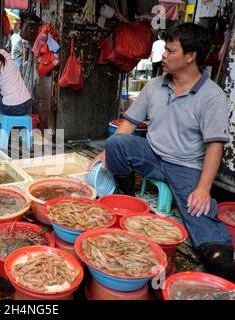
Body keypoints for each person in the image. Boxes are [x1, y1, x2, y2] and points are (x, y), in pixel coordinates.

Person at [90, 23, 234, 282]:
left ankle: (219, 256)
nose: (163, 56)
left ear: (190, 56)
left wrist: (203, 187)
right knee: (115, 144)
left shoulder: (212, 96)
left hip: (186, 165)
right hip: (152, 155)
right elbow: (129, 124)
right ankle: (125, 194)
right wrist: (108, 155)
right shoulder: (155, 85)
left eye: (170, 50)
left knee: (199, 212)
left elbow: (215, 146)